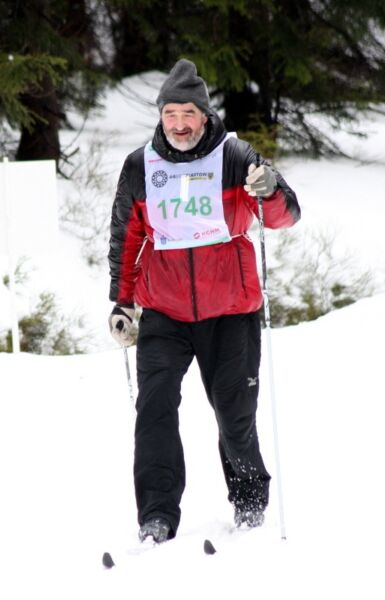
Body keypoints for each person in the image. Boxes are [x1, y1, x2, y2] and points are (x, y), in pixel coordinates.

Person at [107, 58, 301, 543]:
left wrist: (270, 188)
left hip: (230, 312)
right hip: (165, 312)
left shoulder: (234, 157)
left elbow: (283, 216)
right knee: (153, 410)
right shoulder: (140, 166)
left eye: (187, 114)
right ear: (161, 116)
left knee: (235, 413)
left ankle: (251, 504)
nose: (179, 124)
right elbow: (126, 238)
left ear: (204, 115)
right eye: (170, 114)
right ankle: (156, 516)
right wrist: (123, 302)